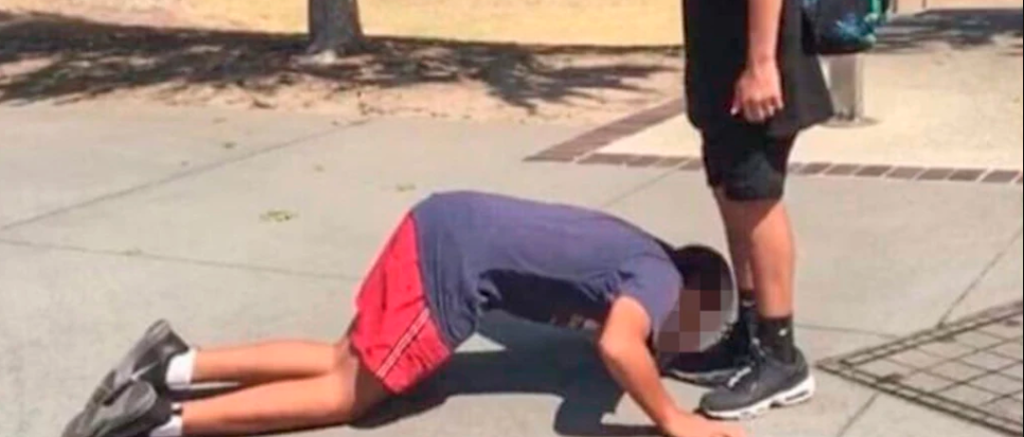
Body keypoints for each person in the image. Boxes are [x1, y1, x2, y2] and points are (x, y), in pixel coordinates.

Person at [63, 190, 747, 437]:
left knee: (343, 356)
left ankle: (172, 360)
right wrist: (675, 420)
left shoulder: (638, 251)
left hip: (443, 221)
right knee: (350, 394)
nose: (674, 344)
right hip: (454, 265)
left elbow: (619, 336)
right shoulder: (659, 276)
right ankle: (154, 419)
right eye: (687, 331)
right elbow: (621, 350)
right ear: (689, 295)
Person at [616, 0, 834, 421]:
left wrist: (760, 65)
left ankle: (781, 358)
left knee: (756, 197)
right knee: (733, 191)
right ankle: (751, 335)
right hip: (724, 57)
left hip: (752, 62)